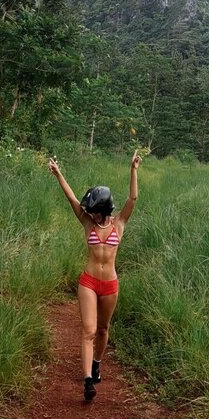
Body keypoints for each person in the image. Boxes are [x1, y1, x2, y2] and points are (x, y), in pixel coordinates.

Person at [48, 152, 141, 402]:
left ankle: (97, 364)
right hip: (88, 282)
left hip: (110, 285)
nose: (92, 214)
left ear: (104, 209)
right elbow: (71, 199)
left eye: (95, 212)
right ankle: (88, 380)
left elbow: (133, 198)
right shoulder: (87, 223)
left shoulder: (119, 223)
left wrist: (133, 169)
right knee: (88, 330)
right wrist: (58, 174)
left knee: (102, 329)